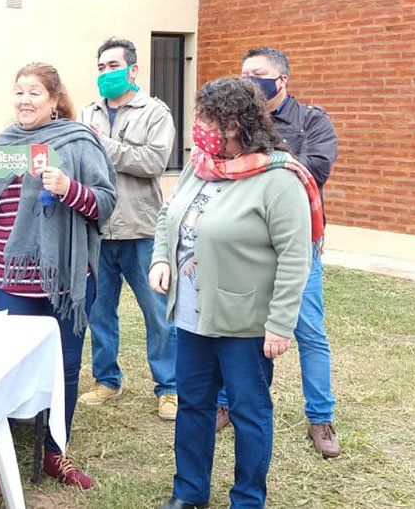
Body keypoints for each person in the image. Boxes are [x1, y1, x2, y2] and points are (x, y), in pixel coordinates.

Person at [0, 62, 116, 493]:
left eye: (34, 92)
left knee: (65, 367)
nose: (24, 100)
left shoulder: (79, 142)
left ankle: (56, 451)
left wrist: (68, 189)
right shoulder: (3, 145)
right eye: (19, 91)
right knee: (4, 369)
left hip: (66, 281)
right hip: (12, 281)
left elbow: (106, 202)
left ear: (54, 100)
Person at [152, 77, 322, 509]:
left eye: (213, 121)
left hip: (246, 324)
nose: (203, 129)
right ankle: (189, 492)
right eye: (202, 118)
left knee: (249, 413)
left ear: (240, 125)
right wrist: (160, 258)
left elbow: (295, 257)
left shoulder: (277, 179)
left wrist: (280, 324)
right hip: (192, 316)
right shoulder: (199, 166)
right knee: (194, 405)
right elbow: (168, 215)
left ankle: (247, 499)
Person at [219, 46, 341, 457]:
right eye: (243, 74)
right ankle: (228, 404)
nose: (248, 81)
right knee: (240, 327)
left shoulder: (312, 120)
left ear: (281, 79)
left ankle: (321, 418)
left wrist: (257, 167)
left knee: (308, 330)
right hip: (247, 244)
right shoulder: (236, 123)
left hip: (296, 244)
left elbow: (313, 169)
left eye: (257, 73)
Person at [77, 37, 179, 420]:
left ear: (133, 70)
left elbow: (154, 161)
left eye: (113, 66)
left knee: (157, 312)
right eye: (101, 67)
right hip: (98, 230)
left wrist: (102, 145)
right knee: (100, 311)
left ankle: (169, 387)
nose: (106, 73)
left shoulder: (154, 112)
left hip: (141, 230)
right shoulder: (88, 112)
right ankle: (106, 379)